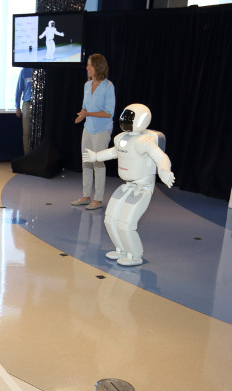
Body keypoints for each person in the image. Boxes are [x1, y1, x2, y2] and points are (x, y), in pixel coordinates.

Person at [83, 104, 175, 266]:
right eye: (125, 117)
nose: (125, 120)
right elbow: (113, 152)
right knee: (110, 220)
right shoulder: (121, 138)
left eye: (129, 117)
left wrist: (164, 171)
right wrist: (96, 156)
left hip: (142, 188)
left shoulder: (144, 142)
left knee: (126, 225)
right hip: (127, 186)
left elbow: (162, 158)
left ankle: (135, 255)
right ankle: (121, 249)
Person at [71, 53, 115, 210]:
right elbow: (85, 108)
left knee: (98, 163)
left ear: (98, 66)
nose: (87, 68)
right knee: (86, 162)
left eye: (90, 65)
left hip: (102, 130)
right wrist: (82, 115)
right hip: (88, 128)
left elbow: (109, 113)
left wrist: (88, 113)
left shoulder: (108, 86)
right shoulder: (87, 85)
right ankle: (86, 196)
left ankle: (98, 199)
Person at [15, 67, 33, 155]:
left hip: (41, 104)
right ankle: (27, 155)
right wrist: (17, 107)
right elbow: (19, 89)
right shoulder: (24, 71)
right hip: (27, 103)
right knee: (26, 132)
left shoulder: (43, 69)